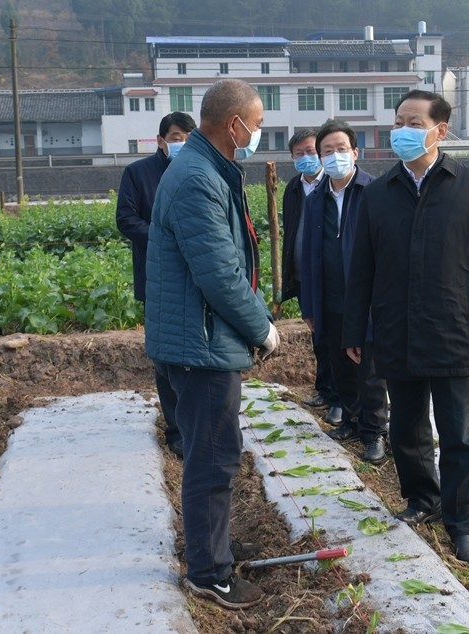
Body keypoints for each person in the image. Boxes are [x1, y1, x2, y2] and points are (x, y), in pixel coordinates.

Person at [342, 90, 469, 564]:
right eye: (398, 122)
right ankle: (421, 498)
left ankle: (463, 522)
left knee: (461, 435)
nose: (403, 131)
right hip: (397, 330)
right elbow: (362, 269)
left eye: (414, 122)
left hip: (455, 330)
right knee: (407, 428)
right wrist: (354, 330)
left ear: (441, 130)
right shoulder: (379, 194)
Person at [145, 79, 280, 610]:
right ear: (234, 124)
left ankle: (213, 544)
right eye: (257, 124)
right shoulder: (198, 178)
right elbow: (220, 275)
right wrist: (261, 329)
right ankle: (209, 572)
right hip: (200, 347)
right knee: (213, 458)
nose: (258, 133)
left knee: (213, 453)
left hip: (197, 340)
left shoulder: (209, 169)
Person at [299, 120, 389, 463]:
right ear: (321, 157)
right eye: (328, 150)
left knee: (369, 370)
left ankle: (375, 431)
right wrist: (309, 305)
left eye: (341, 149)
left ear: (355, 152)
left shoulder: (374, 192)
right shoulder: (315, 199)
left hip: (366, 300)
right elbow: (309, 255)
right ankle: (351, 421)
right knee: (340, 365)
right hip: (330, 297)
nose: (335, 155)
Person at [116, 111, 196, 458]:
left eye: (189, 138)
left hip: (197, 277)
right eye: (176, 137)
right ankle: (176, 429)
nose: (183, 144)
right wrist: (165, 238)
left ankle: (197, 424)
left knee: (196, 353)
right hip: (157, 278)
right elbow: (126, 219)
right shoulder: (139, 173)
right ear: (161, 140)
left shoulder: (199, 171)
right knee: (165, 356)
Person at [280, 128, 342, 425]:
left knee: (336, 337)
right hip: (304, 275)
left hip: (330, 275)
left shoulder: (333, 184)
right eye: (299, 153)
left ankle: (340, 398)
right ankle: (324, 389)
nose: (306, 157)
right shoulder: (293, 188)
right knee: (318, 335)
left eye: (311, 151)